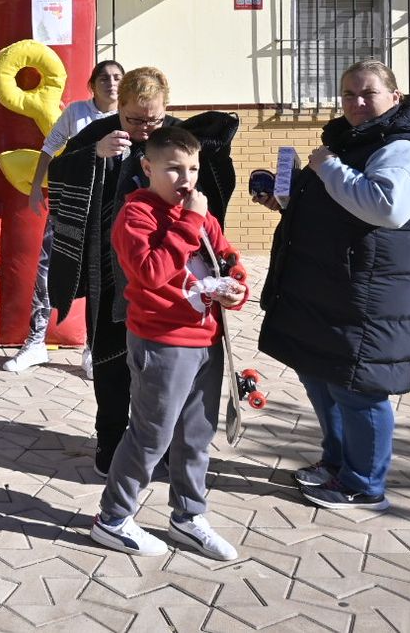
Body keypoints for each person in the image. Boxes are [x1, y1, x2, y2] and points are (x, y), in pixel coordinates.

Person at [255, 59, 410, 512]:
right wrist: (289, 198)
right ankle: (338, 464)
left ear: (394, 97)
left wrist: (327, 169)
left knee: (359, 389)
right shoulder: (354, 140)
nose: (357, 103)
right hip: (333, 287)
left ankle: (363, 484)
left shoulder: (405, 146)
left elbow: (387, 208)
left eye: (368, 93)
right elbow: (342, 206)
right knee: (323, 376)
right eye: (348, 94)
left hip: (369, 294)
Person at [45, 67, 238, 476]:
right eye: (134, 119)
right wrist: (94, 155)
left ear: (166, 108)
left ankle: (163, 446)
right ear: (120, 109)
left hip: (171, 276)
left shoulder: (178, 139)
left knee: (168, 369)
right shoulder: (100, 134)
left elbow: (214, 180)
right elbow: (57, 173)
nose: (144, 129)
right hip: (110, 272)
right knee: (112, 361)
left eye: (153, 119)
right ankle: (111, 440)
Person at [90, 126, 249, 560]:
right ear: (147, 168)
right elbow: (150, 273)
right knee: (150, 435)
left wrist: (236, 288)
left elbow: (227, 260)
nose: (186, 179)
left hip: (206, 339)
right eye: (173, 169)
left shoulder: (203, 214)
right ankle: (113, 519)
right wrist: (189, 221)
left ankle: (187, 515)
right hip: (162, 342)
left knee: (197, 434)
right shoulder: (136, 216)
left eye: (193, 168)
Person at [5, 59, 124, 373]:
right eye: (105, 78)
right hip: (70, 205)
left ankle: (92, 349)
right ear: (92, 84)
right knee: (47, 272)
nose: (111, 83)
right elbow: (50, 147)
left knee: (99, 278)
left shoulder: (129, 116)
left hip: (108, 211)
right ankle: (35, 342)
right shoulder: (77, 112)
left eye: (117, 78)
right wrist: (35, 188)